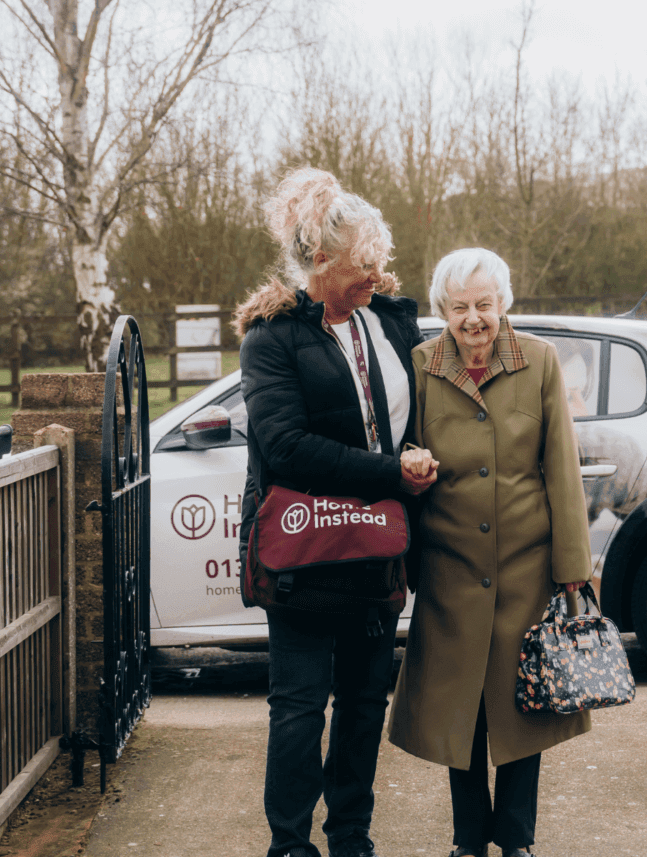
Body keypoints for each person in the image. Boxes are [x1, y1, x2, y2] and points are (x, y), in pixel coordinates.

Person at [233, 167, 437, 857]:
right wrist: (392, 473)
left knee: (363, 704)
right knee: (298, 707)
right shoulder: (273, 336)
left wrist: (414, 462)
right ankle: (290, 844)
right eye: (362, 265)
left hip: (379, 547)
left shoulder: (387, 323)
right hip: (304, 554)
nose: (375, 278)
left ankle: (351, 834)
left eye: (380, 264)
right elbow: (285, 446)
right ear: (321, 260)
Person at [388, 248, 593, 857]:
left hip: (526, 569)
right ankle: (468, 839)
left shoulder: (540, 361)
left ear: (503, 303)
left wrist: (573, 568)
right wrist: (411, 470)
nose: (473, 319)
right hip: (451, 569)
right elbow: (404, 452)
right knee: (463, 712)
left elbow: (561, 468)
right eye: (460, 307)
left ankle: (518, 841)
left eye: (484, 304)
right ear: (442, 311)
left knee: (524, 705)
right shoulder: (421, 365)